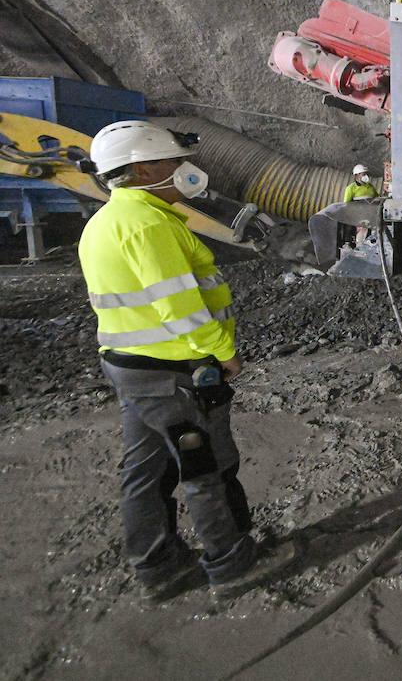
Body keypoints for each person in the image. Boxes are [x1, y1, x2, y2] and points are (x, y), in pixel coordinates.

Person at [78, 120, 296, 602]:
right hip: (172, 372)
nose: (183, 169)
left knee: (147, 470)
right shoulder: (149, 226)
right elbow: (179, 309)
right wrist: (223, 353)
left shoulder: (108, 220)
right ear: (142, 169)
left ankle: (158, 566)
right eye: (173, 161)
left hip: (133, 368)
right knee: (205, 466)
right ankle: (231, 563)